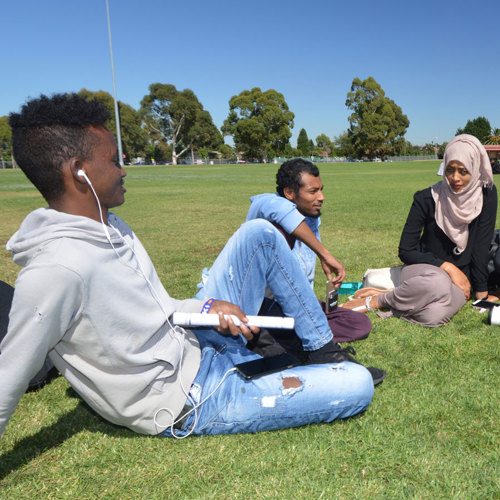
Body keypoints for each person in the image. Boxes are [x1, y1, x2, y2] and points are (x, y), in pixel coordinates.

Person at [0, 93, 375, 440]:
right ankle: (303, 368)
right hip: (186, 398)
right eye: (114, 160)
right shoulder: (56, 269)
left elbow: (159, 309)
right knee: (356, 385)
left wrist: (208, 308)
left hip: (196, 346)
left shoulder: (112, 228)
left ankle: (321, 351)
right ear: (79, 171)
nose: (124, 170)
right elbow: (10, 375)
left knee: (260, 233)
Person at [198, 158, 371, 350]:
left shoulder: (311, 219)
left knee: (360, 323)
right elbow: (282, 213)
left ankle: (290, 332)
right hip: (256, 305)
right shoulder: (265, 205)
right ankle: (284, 335)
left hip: (292, 305)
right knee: (289, 329)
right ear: (289, 192)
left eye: (321, 189)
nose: (321, 197)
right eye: (313, 191)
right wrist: (325, 255)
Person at [343, 134, 497, 327]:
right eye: (450, 170)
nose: (455, 178)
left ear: (475, 170)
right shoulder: (426, 198)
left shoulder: (486, 195)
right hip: (425, 270)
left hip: (460, 279)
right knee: (437, 283)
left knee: (433, 317)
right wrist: (448, 267)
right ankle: (375, 302)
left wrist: (480, 293)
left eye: (463, 171)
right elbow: (406, 250)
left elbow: (481, 248)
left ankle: (391, 295)